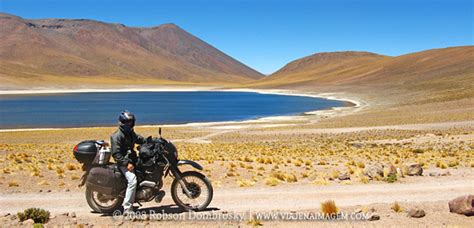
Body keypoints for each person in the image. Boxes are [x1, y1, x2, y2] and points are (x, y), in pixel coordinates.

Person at [110, 110, 146, 214]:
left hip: (132, 159)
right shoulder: (117, 136)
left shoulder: (130, 133)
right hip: (122, 163)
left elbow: (138, 138)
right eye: (127, 122)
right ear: (122, 123)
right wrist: (127, 164)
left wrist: (150, 141)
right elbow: (116, 154)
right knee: (133, 180)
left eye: (131, 122)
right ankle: (127, 208)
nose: (129, 124)